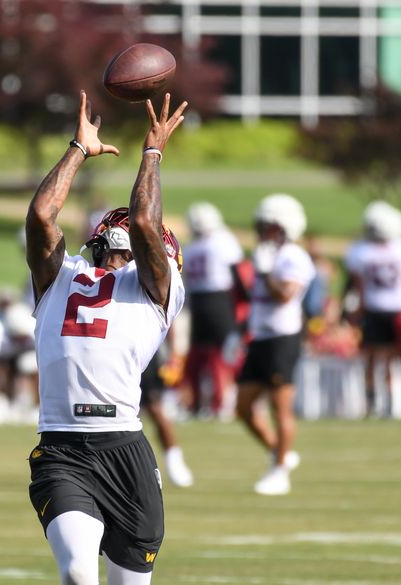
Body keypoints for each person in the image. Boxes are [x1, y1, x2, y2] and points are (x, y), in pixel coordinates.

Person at [26, 91, 187, 585]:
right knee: (77, 571)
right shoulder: (62, 275)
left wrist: (153, 153)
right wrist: (78, 147)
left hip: (125, 451)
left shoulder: (156, 290)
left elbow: (142, 221)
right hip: (62, 449)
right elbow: (40, 218)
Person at [235, 193, 315, 496]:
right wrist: (240, 330)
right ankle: (279, 452)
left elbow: (285, 295)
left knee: (280, 408)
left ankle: (280, 471)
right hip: (260, 338)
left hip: (283, 339)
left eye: (268, 225)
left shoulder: (293, 256)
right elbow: (258, 301)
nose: (261, 230)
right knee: (242, 407)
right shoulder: (266, 253)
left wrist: (267, 273)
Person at [344, 201, 401, 418]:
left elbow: (358, 289)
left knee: (376, 359)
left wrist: (354, 313)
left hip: (375, 310)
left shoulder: (360, 252)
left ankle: (376, 403)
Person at [182, 202, 245, 417]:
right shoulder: (223, 241)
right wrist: (245, 300)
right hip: (220, 301)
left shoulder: (190, 249)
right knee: (224, 353)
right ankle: (223, 401)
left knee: (199, 354)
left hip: (198, 303)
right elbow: (238, 275)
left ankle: (197, 404)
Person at [140, 328, 194, 488]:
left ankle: (174, 460)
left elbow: (167, 315)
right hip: (105, 350)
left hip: (140, 351)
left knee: (155, 409)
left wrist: (173, 353)